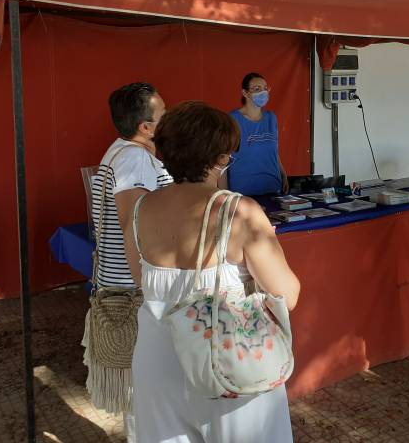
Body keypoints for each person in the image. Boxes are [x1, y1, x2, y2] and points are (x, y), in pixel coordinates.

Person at [126, 101, 301, 443]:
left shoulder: (141, 208)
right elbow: (287, 294)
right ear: (220, 158)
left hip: (157, 362)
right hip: (228, 361)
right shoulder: (239, 211)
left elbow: (141, 280)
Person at [85, 82, 172, 440]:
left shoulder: (126, 150)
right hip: (133, 290)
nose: (170, 117)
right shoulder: (135, 159)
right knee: (144, 384)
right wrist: (147, 287)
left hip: (127, 283)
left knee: (143, 383)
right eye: (163, 113)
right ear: (146, 127)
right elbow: (130, 225)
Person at [223, 72, 289, 195]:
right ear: (245, 93)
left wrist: (283, 174)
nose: (263, 92)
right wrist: (225, 196)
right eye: (257, 89)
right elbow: (223, 159)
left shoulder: (271, 118)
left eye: (265, 88)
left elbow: (274, 152)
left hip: (273, 188)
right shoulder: (232, 120)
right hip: (243, 193)